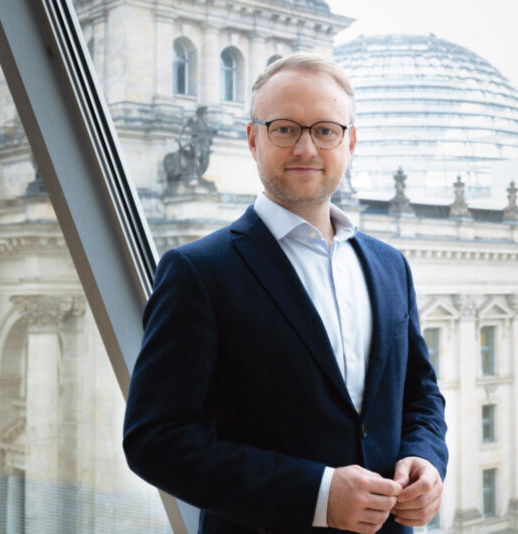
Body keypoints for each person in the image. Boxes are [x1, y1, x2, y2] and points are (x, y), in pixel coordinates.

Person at [123, 53, 448, 534]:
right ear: (253, 138)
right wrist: (317, 495)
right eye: (284, 128)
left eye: (325, 130)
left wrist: (426, 459)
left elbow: (420, 393)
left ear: (350, 142)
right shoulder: (197, 272)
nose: (306, 148)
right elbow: (156, 440)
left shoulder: (389, 265)